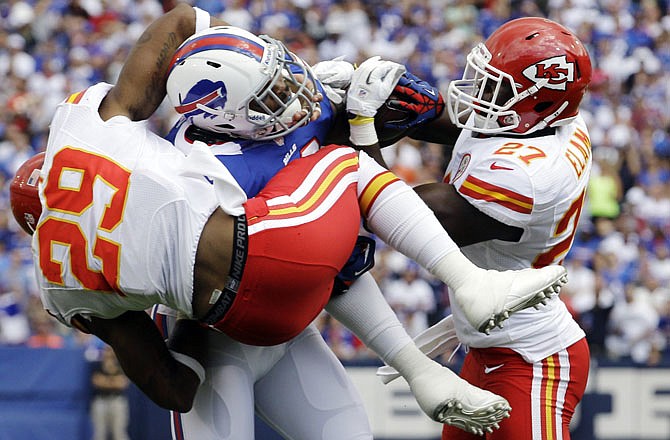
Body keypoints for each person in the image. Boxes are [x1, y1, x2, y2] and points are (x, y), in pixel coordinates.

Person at [9, 5, 565, 438]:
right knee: (343, 178)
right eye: (272, 92)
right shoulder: (138, 149)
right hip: (269, 282)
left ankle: (424, 367)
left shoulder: (63, 286)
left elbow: (169, 386)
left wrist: (136, 312)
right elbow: (178, 24)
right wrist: (364, 126)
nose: (294, 98)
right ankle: (464, 299)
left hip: (229, 321)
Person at [378, 17, 593, 440]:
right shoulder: (546, 124)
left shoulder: (528, 175)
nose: (481, 94)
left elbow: (398, 215)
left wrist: (362, 130)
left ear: (540, 103)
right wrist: (403, 106)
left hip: (533, 357)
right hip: (486, 348)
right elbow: (473, 127)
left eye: (497, 88)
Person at [90, 346, 130, 440]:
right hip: (101, 401)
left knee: (119, 433)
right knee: (99, 434)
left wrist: (106, 381)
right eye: (106, 350)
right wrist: (113, 381)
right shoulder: (98, 365)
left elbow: (122, 383)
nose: (108, 353)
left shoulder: (121, 365)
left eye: (110, 351)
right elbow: (96, 381)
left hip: (117, 401)